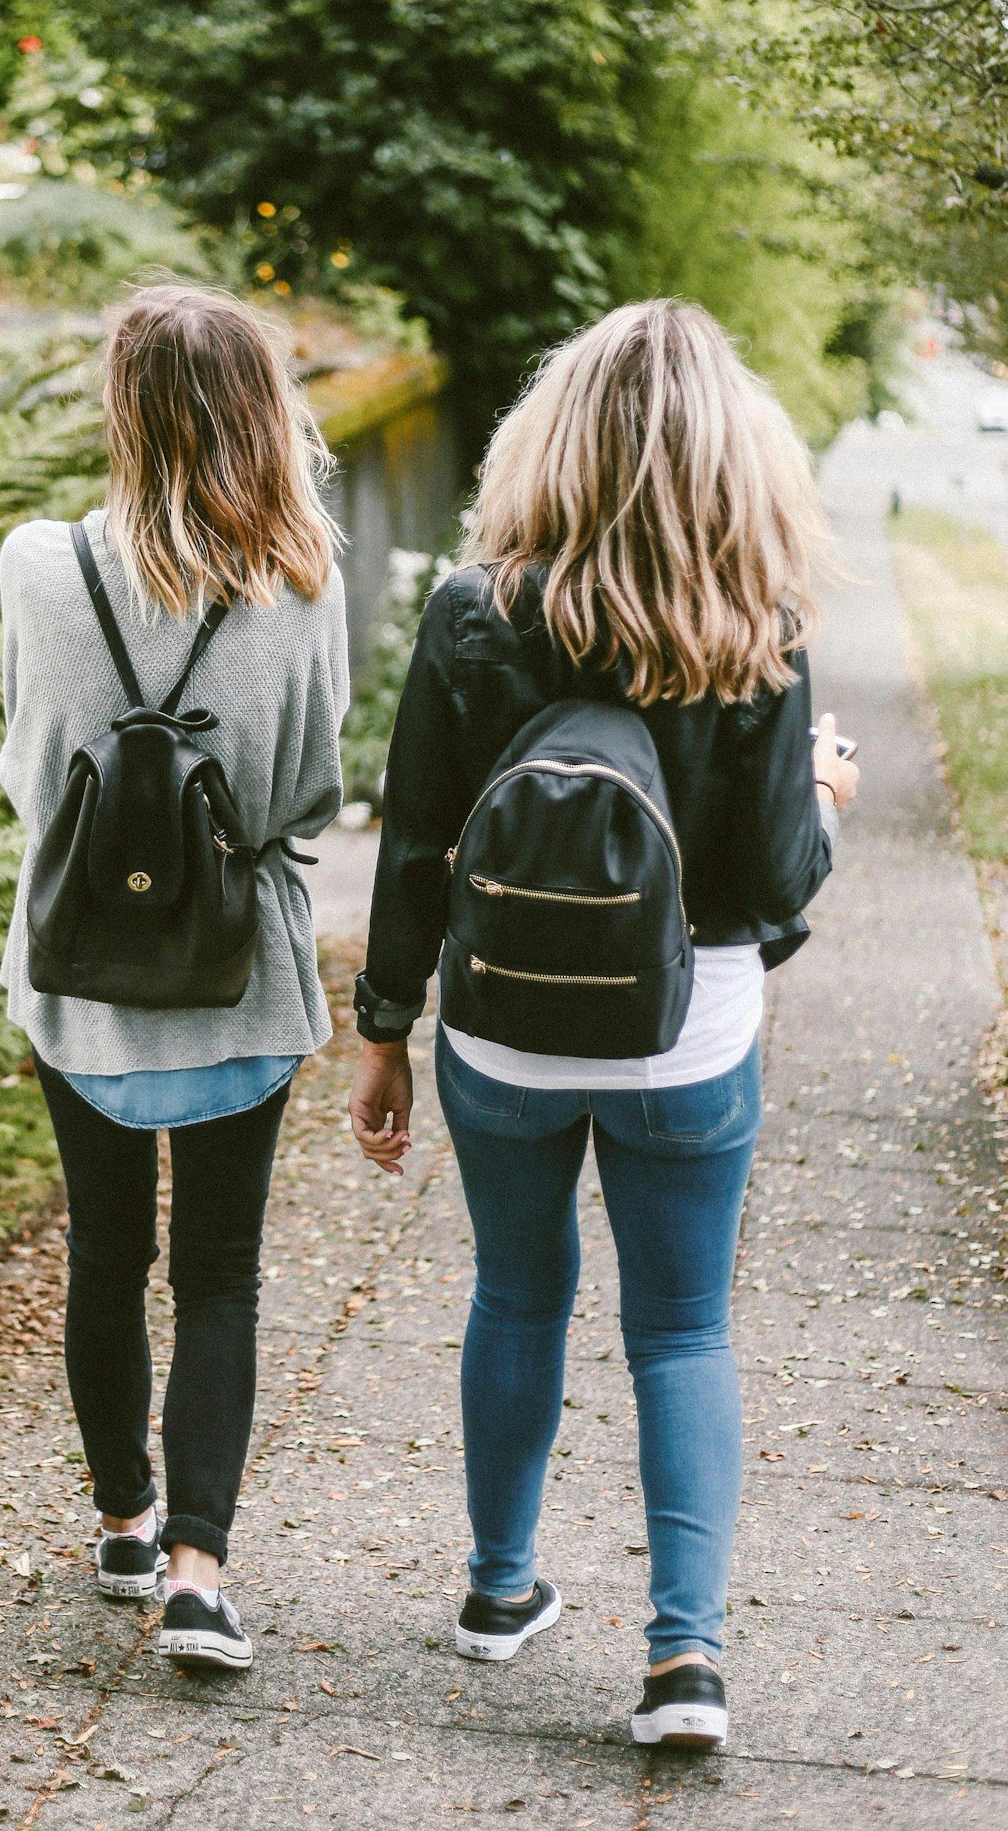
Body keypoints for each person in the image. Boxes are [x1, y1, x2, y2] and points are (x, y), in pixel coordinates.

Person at [346, 299, 858, 1752]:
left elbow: (416, 843)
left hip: (501, 1036)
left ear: (550, 436)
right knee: (683, 1328)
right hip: (689, 1035)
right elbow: (767, 884)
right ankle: (683, 1662)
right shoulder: (755, 624)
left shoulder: (471, 609)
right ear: (733, 455)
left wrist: (384, 1028)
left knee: (518, 1296)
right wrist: (822, 792)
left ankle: (499, 1593)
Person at [0, 284, 348, 1674]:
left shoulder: (39, 565)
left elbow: (25, 770)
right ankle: (200, 1576)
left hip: (80, 982)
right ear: (263, 411)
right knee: (219, 1277)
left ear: (123, 408)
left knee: (103, 1250)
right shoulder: (304, 580)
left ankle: (126, 1520)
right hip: (236, 985)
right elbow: (313, 792)